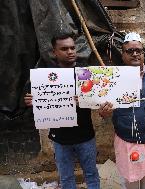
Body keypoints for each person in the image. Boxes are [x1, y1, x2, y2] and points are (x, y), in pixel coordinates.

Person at [24, 33, 100, 189]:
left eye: (72, 47)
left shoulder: (85, 73)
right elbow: (35, 98)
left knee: (92, 175)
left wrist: (87, 99)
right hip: (60, 139)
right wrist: (32, 101)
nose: (70, 51)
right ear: (54, 52)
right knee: (66, 179)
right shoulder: (45, 76)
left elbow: (98, 100)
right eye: (64, 48)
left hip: (85, 136)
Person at [99, 32, 145, 189]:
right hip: (127, 141)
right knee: (131, 183)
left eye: (138, 50)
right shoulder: (114, 77)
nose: (135, 54)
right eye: (129, 51)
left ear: (143, 53)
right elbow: (103, 110)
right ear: (123, 54)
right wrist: (104, 111)